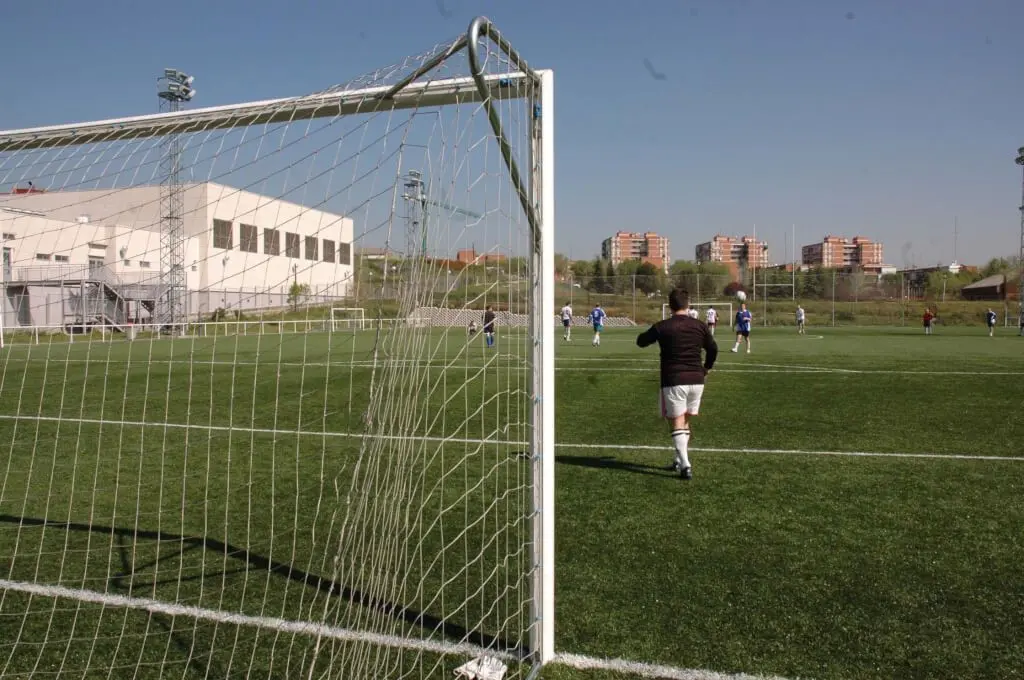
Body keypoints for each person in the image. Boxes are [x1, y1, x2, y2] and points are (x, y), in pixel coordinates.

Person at [636, 288, 718, 480]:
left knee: (676, 422)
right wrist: (706, 368)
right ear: (688, 305)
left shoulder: (663, 326)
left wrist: (653, 332)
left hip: (674, 380)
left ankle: (686, 465)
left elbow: (641, 341)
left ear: (670, 305)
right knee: (684, 421)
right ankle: (678, 459)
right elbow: (713, 349)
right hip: (697, 380)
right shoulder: (699, 326)